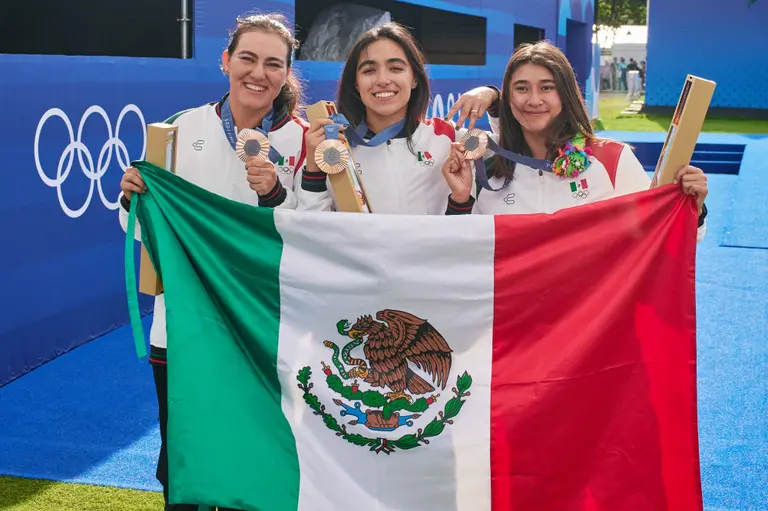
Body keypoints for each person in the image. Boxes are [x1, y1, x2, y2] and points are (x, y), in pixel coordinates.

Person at [118, 12, 307, 511]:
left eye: (273, 63)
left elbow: (319, 237)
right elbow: (139, 230)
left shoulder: (305, 141)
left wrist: (274, 196)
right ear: (225, 61)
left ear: (287, 73)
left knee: (261, 457)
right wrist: (131, 199)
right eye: (247, 58)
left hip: (265, 331)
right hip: (184, 326)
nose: (258, 72)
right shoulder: (178, 129)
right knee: (185, 457)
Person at [442, 41, 708, 240]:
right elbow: (463, 253)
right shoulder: (485, 162)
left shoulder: (612, 160)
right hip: (512, 313)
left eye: (547, 87)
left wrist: (692, 209)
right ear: (508, 98)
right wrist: (461, 199)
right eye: (521, 88)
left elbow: (660, 237)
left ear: (565, 93)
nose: (534, 100)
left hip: (591, 315)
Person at [295, 22, 497, 215]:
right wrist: (314, 170)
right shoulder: (334, 147)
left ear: (415, 78)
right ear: (356, 83)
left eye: (396, 68)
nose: (382, 80)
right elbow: (312, 231)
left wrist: (493, 97)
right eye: (369, 70)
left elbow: (520, 148)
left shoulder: (449, 137)